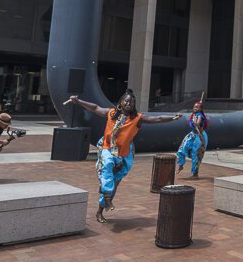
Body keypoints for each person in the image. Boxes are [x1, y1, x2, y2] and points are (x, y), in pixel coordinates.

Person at [69, 90, 180, 223]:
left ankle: (100, 210)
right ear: (121, 103)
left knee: (114, 184)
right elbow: (95, 108)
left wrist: (173, 117)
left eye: (132, 102)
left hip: (124, 155)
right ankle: (107, 197)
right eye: (126, 101)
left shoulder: (137, 118)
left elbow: (157, 118)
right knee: (108, 164)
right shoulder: (111, 113)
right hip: (107, 148)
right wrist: (78, 101)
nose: (129, 103)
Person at [177, 101, 208, 179]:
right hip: (192, 135)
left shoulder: (200, 115)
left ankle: (195, 174)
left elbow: (198, 123)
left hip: (199, 137)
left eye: (197, 107)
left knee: (196, 155)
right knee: (182, 149)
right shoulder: (193, 114)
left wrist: (196, 123)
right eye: (194, 107)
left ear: (201, 109)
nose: (195, 108)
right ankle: (180, 165)